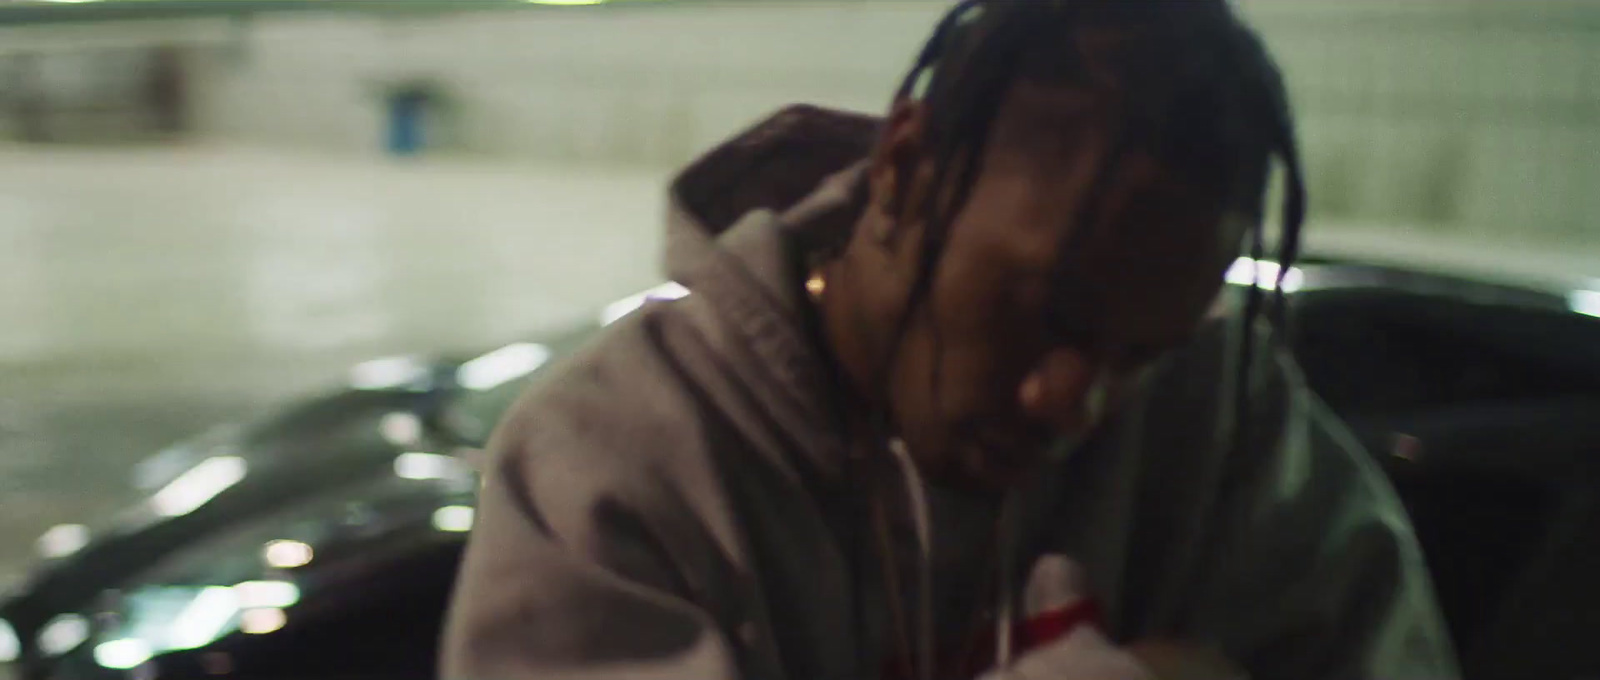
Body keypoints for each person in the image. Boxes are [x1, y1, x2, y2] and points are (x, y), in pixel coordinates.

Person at [441, 1, 1459, 678]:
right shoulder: (617, 465)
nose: (1074, 401)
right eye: (1045, 314)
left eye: (1138, 352)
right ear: (906, 165)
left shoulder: (1231, 428)